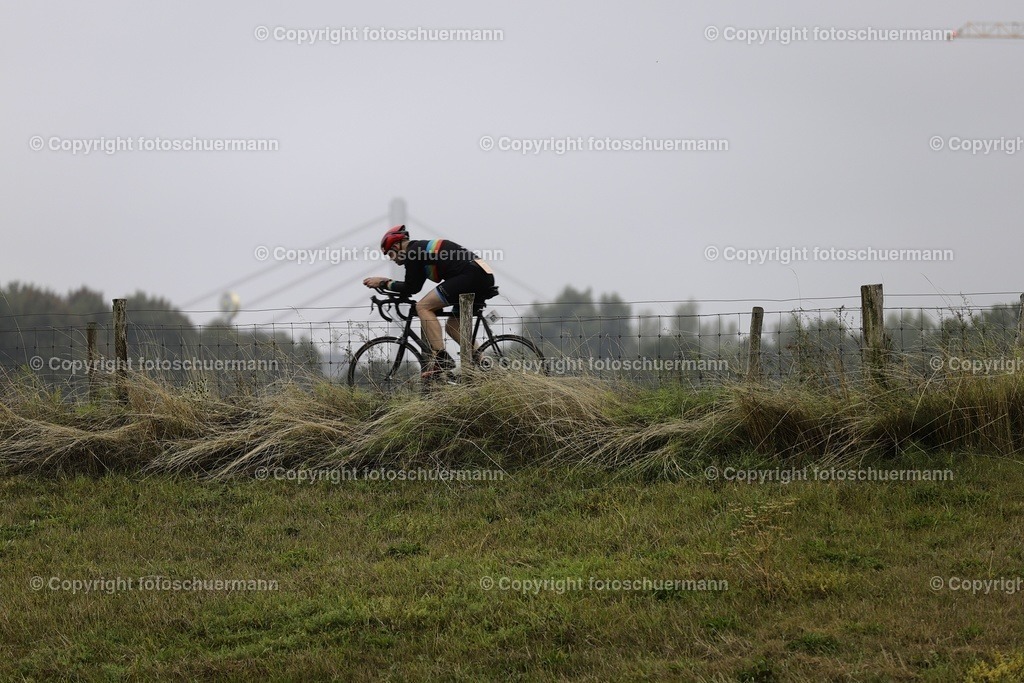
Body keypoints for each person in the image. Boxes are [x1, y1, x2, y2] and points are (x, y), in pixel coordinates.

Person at [363, 225, 496, 379]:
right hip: (481, 275)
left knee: (423, 307)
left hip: (470, 275)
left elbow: (411, 288)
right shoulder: (420, 249)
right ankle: (488, 366)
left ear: (396, 246)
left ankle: (442, 359)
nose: (391, 259)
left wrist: (383, 282)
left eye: (390, 254)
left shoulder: (413, 253)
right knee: (453, 327)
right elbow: (414, 285)